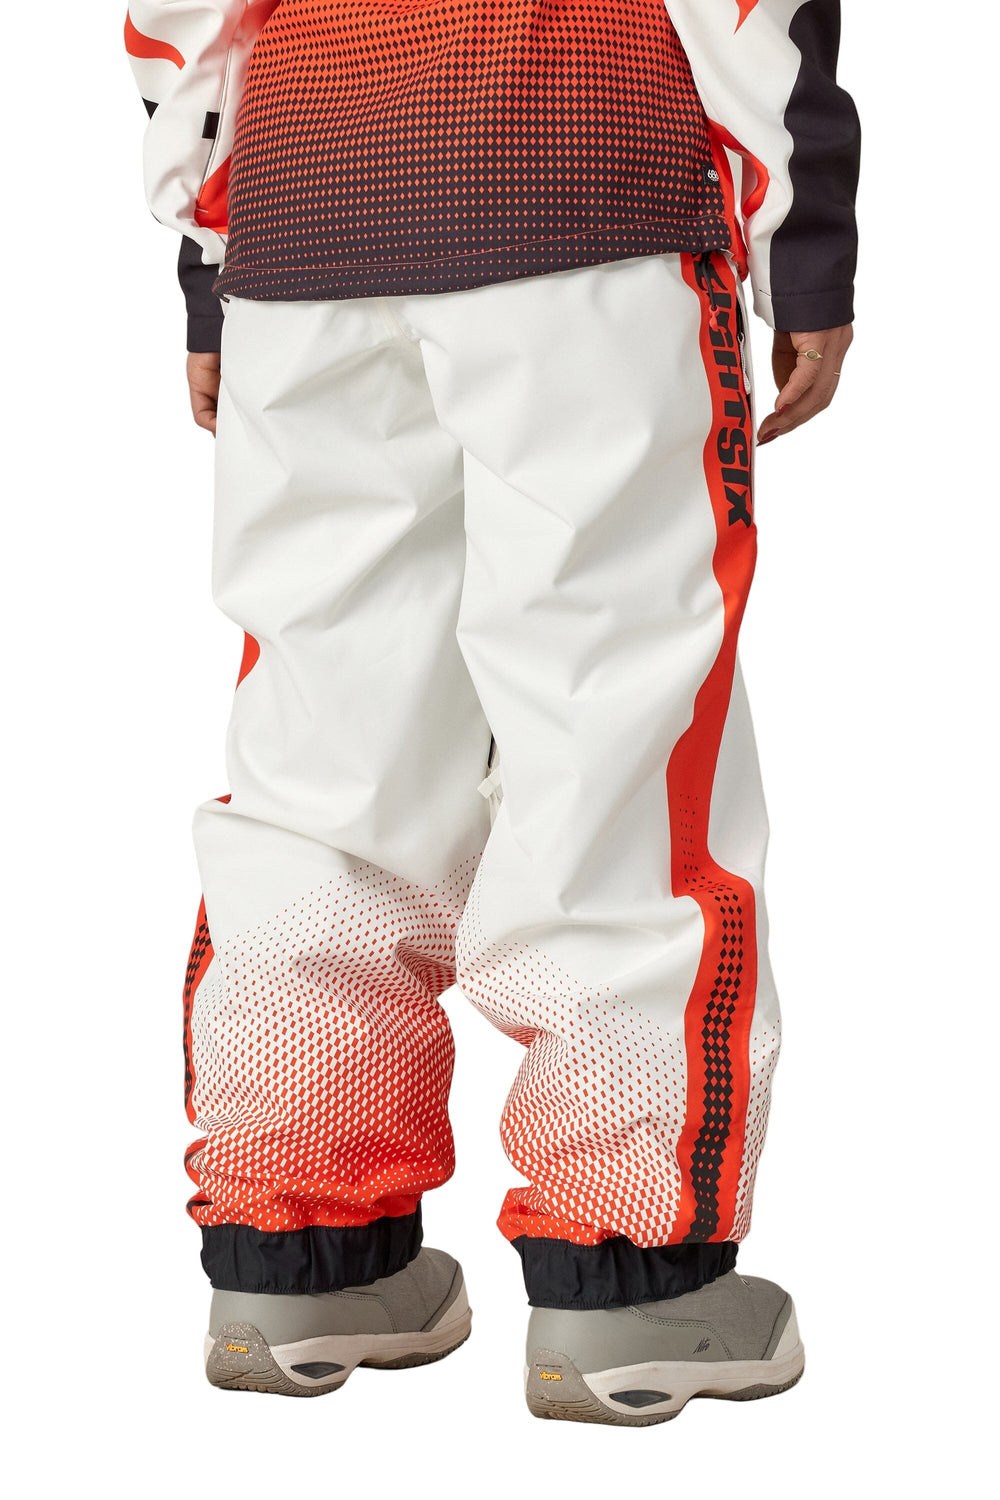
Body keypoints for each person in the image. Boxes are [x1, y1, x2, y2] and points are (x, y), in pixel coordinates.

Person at [125, 0, 860, 1424]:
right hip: (587, 163)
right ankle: (630, 1281)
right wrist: (806, 233)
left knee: (326, 743)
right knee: (607, 726)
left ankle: (300, 1257)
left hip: (307, 185)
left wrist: (210, 255)